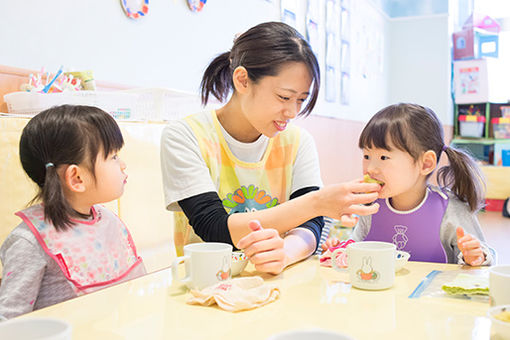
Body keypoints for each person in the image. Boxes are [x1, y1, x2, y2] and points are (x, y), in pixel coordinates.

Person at [160, 21, 380, 275]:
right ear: (242, 80)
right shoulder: (185, 136)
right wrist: (317, 202)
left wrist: (285, 253)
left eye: (301, 100)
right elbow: (215, 229)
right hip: (205, 285)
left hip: (276, 283)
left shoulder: (298, 142)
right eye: (284, 97)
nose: (293, 112)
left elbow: (310, 226)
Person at [0, 105, 146, 319]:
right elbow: (9, 320)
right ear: (76, 178)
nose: (122, 164)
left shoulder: (108, 221)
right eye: (113, 156)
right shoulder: (30, 242)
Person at [322, 103, 496, 266]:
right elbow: (357, 246)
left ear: (426, 163)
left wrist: (475, 256)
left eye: (383, 157)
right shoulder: (371, 206)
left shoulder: (450, 208)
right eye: (367, 156)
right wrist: (341, 250)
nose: (371, 169)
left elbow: (483, 257)